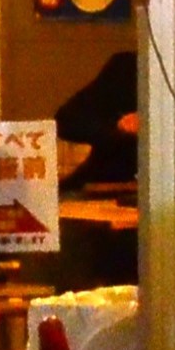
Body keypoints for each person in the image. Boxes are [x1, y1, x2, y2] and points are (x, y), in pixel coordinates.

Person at [50, 46, 141, 289]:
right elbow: (67, 119)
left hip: (151, 203)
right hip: (99, 192)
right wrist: (119, 128)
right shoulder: (129, 69)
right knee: (64, 223)